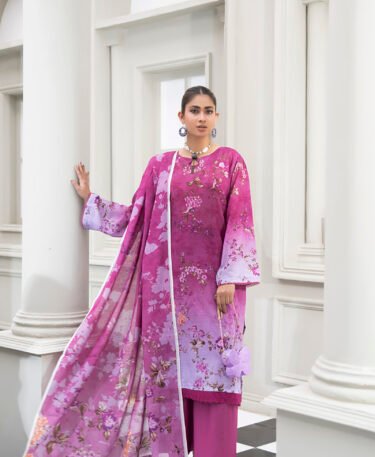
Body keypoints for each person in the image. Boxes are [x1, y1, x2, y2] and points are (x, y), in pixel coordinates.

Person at [22, 85, 260, 457]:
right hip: (165, 293)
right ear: (181, 116)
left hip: (214, 292)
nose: (201, 117)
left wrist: (230, 276)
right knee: (168, 377)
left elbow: (240, 219)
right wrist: (92, 200)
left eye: (208, 110)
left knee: (214, 376)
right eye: (194, 110)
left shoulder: (231, 161)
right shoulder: (160, 166)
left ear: (216, 116)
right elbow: (138, 216)